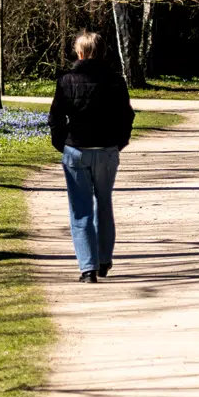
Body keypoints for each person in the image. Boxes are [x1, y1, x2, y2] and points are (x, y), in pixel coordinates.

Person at [48, 31, 135, 283]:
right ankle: (104, 259)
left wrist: (62, 144)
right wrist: (120, 142)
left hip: (76, 150)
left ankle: (88, 268)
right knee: (104, 204)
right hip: (106, 150)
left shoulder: (66, 80)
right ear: (102, 52)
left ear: (80, 53)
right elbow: (126, 115)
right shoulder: (116, 81)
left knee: (81, 211)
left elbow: (55, 117)